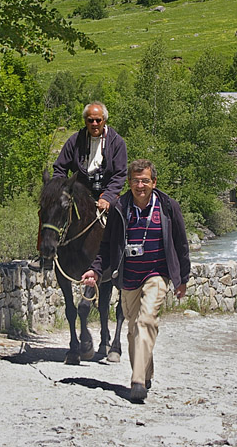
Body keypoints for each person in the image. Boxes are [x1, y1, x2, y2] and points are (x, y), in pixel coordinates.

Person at [81, 159, 190, 403]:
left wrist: (182, 278)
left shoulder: (168, 206)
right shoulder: (120, 207)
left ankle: (137, 380)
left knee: (146, 320)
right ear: (129, 183)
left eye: (145, 181)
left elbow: (182, 244)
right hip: (128, 277)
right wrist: (95, 271)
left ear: (154, 182)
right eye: (135, 181)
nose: (140, 185)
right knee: (133, 330)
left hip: (157, 273)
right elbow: (107, 246)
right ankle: (147, 371)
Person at [30, 102, 128, 271]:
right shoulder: (75, 140)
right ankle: (44, 256)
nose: (94, 124)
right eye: (90, 120)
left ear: (104, 120)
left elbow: (120, 174)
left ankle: (123, 258)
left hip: (105, 194)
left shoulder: (117, 143)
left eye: (98, 120)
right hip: (78, 194)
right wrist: (58, 189)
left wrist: (108, 197)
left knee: (122, 215)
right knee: (47, 210)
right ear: (85, 121)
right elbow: (60, 167)